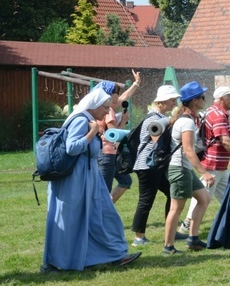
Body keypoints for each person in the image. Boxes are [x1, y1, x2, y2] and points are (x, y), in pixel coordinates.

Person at [41, 87, 141, 272]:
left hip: (88, 177)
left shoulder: (87, 119)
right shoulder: (81, 120)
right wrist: (92, 133)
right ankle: (58, 262)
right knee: (71, 220)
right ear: (93, 106)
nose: (106, 111)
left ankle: (115, 255)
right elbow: (72, 148)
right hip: (76, 179)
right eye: (104, 107)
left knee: (102, 216)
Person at [179, 85, 230, 235]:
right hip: (213, 163)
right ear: (221, 99)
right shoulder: (219, 115)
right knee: (203, 196)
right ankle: (187, 224)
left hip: (218, 163)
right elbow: (225, 141)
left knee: (228, 192)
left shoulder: (211, 111)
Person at [163, 82, 216, 255]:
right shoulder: (186, 123)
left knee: (204, 198)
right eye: (202, 97)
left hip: (184, 168)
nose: (204, 99)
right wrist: (204, 172)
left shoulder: (188, 119)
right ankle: (168, 247)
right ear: (194, 101)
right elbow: (188, 150)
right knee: (176, 209)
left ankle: (193, 239)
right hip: (179, 169)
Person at [129, 85, 185, 247]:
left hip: (153, 165)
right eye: (172, 100)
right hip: (148, 166)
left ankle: (172, 230)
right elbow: (156, 140)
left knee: (172, 193)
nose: (174, 104)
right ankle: (139, 238)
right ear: (161, 102)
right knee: (146, 200)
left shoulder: (157, 115)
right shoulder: (153, 118)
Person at [94, 70, 141, 203]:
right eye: (117, 93)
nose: (119, 96)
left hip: (108, 154)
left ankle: (106, 209)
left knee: (125, 181)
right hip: (106, 154)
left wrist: (136, 84)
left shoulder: (104, 107)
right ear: (109, 95)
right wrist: (123, 122)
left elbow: (123, 98)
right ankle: (102, 214)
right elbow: (113, 135)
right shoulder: (108, 111)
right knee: (104, 191)